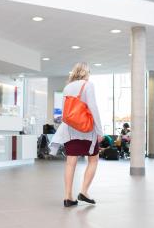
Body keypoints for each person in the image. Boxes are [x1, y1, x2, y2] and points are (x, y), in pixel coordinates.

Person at [51, 62, 103, 207]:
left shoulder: (67, 87)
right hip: (86, 129)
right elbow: (93, 107)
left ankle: (68, 197)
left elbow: (65, 111)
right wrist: (99, 130)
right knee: (93, 159)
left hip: (70, 129)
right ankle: (84, 191)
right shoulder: (88, 85)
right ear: (86, 72)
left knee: (70, 163)